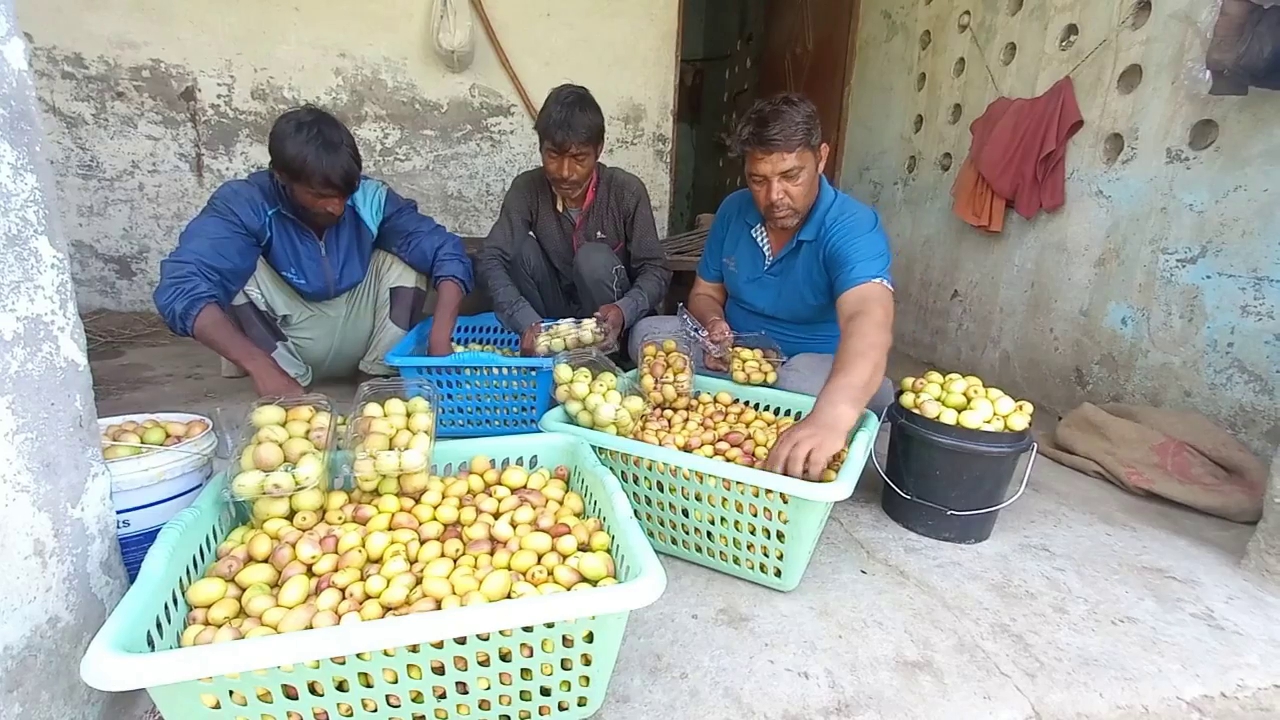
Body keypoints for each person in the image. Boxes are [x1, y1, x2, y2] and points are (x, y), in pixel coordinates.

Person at [629, 93, 896, 481]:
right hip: (738, 357)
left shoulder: (852, 226)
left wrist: (830, 418)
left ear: (821, 158)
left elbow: (868, 318)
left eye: (791, 176)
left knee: (796, 385)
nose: (774, 197)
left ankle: (862, 398)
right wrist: (714, 326)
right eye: (758, 180)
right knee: (650, 334)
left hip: (811, 364)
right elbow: (704, 293)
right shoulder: (734, 211)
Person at [154, 105, 472, 397]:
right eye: (319, 195)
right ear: (282, 176)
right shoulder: (246, 204)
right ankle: (283, 381)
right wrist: (258, 366)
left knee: (407, 261)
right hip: (287, 339)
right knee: (236, 273)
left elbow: (446, 251)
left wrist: (440, 338)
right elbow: (182, 288)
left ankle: (376, 377)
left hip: (356, 329)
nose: (335, 207)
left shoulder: (370, 198)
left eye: (344, 193)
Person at [478, 84, 671, 355]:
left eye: (579, 158)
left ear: (599, 150)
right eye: (553, 156)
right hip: (554, 318)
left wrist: (623, 310)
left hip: (610, 323)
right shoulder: (527, 189)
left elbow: (656, 270)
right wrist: (525, 321)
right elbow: (491, 258)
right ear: (541, 148)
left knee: (592, 258)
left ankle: (612, 354)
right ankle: (549, 350)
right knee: (518, 249)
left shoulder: (626, 192)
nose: (565, 172)